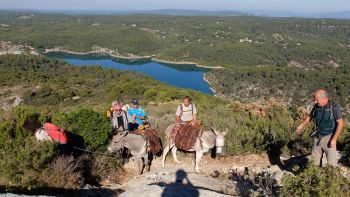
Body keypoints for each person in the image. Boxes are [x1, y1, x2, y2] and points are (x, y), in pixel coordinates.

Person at [295, 89, 344, 167]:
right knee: (314, 163)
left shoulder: (333, 107)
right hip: (317, 136)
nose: (315, 102)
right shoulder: (317, 106)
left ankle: (330, 178)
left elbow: (340, 123)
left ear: (324, 98)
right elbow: (309, 117)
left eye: (317, 100)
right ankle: (315, 176)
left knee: (332, 164)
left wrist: (334, 139)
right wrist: (300, 126)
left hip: (329, 137)